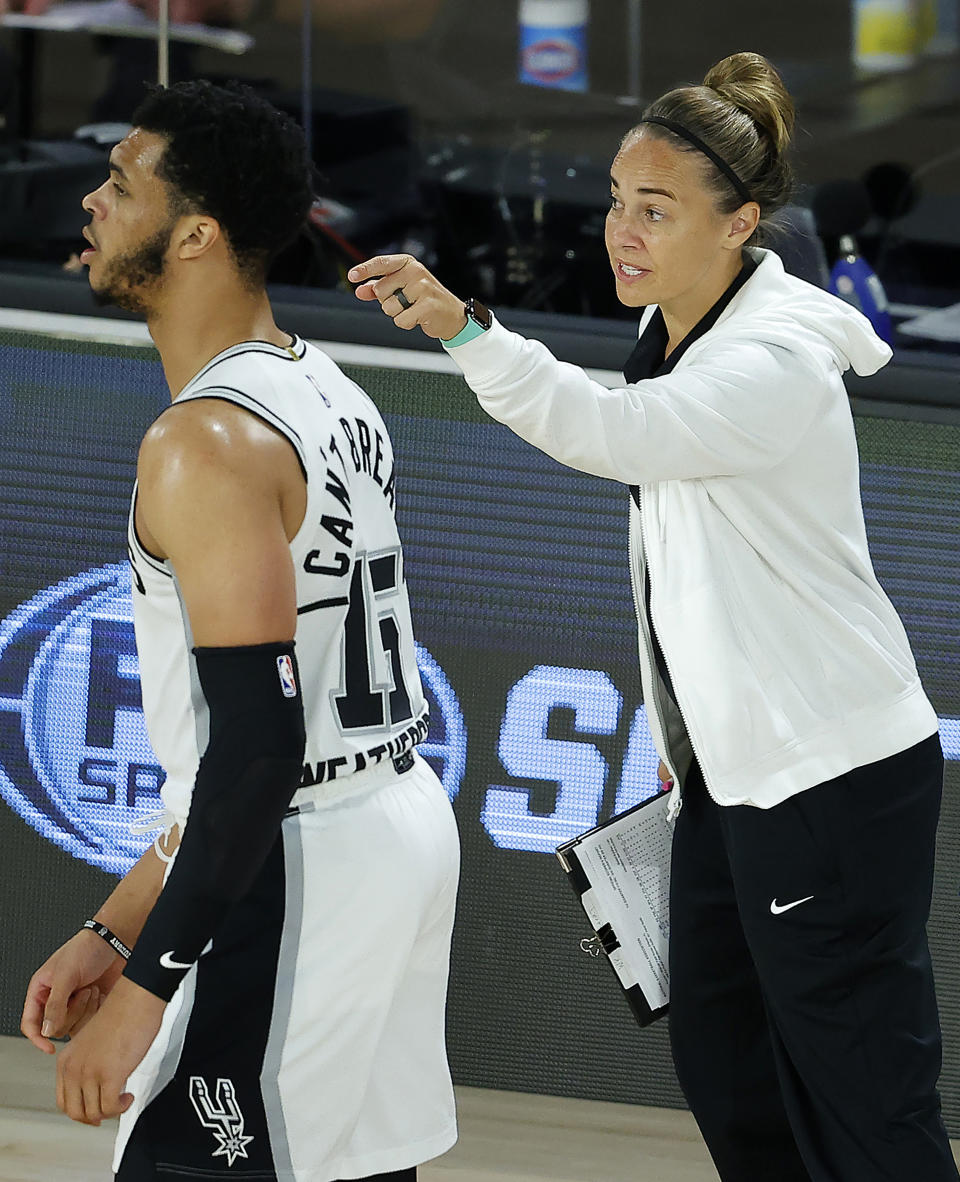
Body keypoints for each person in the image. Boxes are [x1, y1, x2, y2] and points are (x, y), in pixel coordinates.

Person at [347, 50, 960, 1182]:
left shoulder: (771, 361)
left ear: (742, 225)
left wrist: (465, 331)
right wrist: (687, 745)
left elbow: (614, 436)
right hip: (731, 776)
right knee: (730, 1066)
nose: (621, 232)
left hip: (827, 779)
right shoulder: (679, 330)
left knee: (862, 1092)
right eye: (619, 202)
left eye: (657, 211)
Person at [20, 79, 459, 1182]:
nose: (93, 202)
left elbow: (259, 757)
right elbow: (264, 748)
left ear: (198, 234)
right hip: (386, 826)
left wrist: (145, 990)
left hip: (297, 866)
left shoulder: (203, 444)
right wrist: (116, 925)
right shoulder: (329, 390)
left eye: (122, 185)